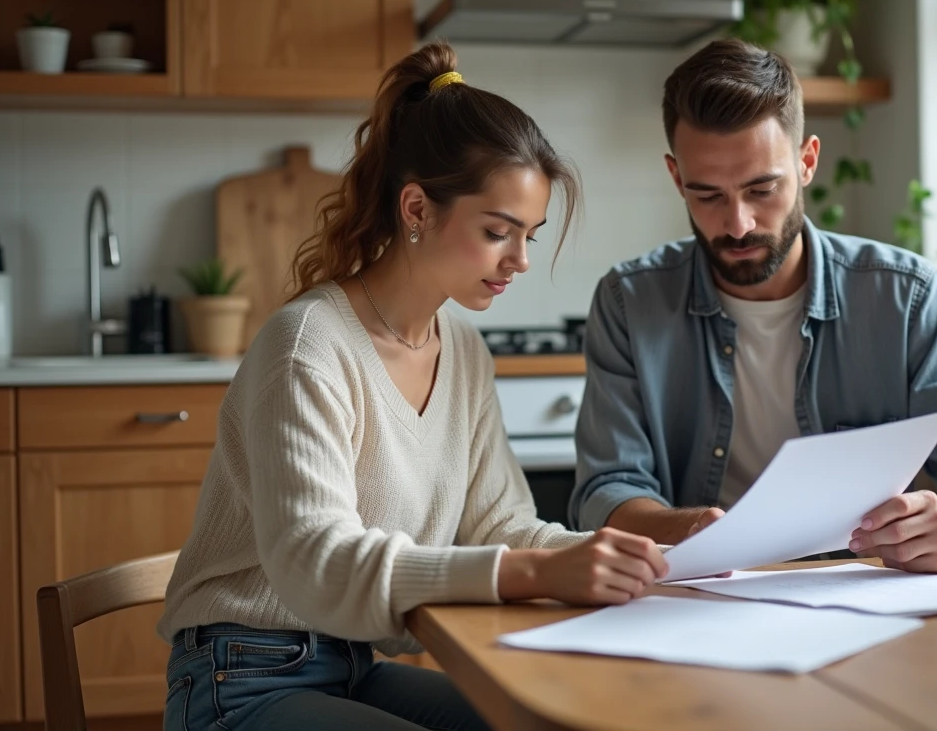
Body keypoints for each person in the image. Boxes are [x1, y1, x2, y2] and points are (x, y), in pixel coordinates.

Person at [157, 41, 668, 731]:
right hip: (239, 679)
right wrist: (534, 573)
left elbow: (500, 526)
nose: (519, 260)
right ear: (418, 209)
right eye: (498, 232)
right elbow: (315, 561)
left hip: (350, 666)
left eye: (530, 236)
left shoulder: (464, 351)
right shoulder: (307, 346)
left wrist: (629, 561)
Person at [569, 39, 937, 574]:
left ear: (807, 161)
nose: (739, 223)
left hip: (858, 591)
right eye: (708, 195)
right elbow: (606, 491)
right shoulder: (629, 303)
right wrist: (694, 530)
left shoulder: (906, 297)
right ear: (677, 178)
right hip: (697, 591)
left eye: (762, 189)